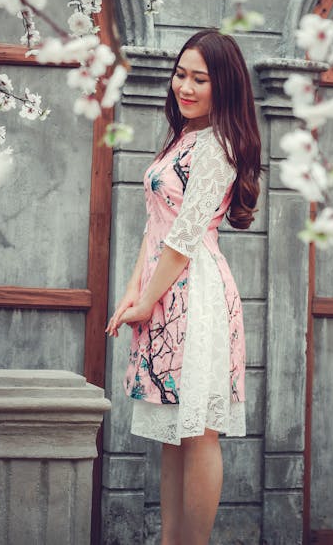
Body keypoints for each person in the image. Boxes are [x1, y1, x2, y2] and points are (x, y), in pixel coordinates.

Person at [106, 28, 261, 545]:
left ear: (226, 86)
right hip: (165, 291)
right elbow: (154, 228)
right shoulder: (182, 140)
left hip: (196, 297)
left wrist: (146, 300)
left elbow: (185, 238)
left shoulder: (218, 147)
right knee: (174, 432)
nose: (185, 87)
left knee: (197, 433)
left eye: (200, 78)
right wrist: (135, 292)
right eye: (180, 74)